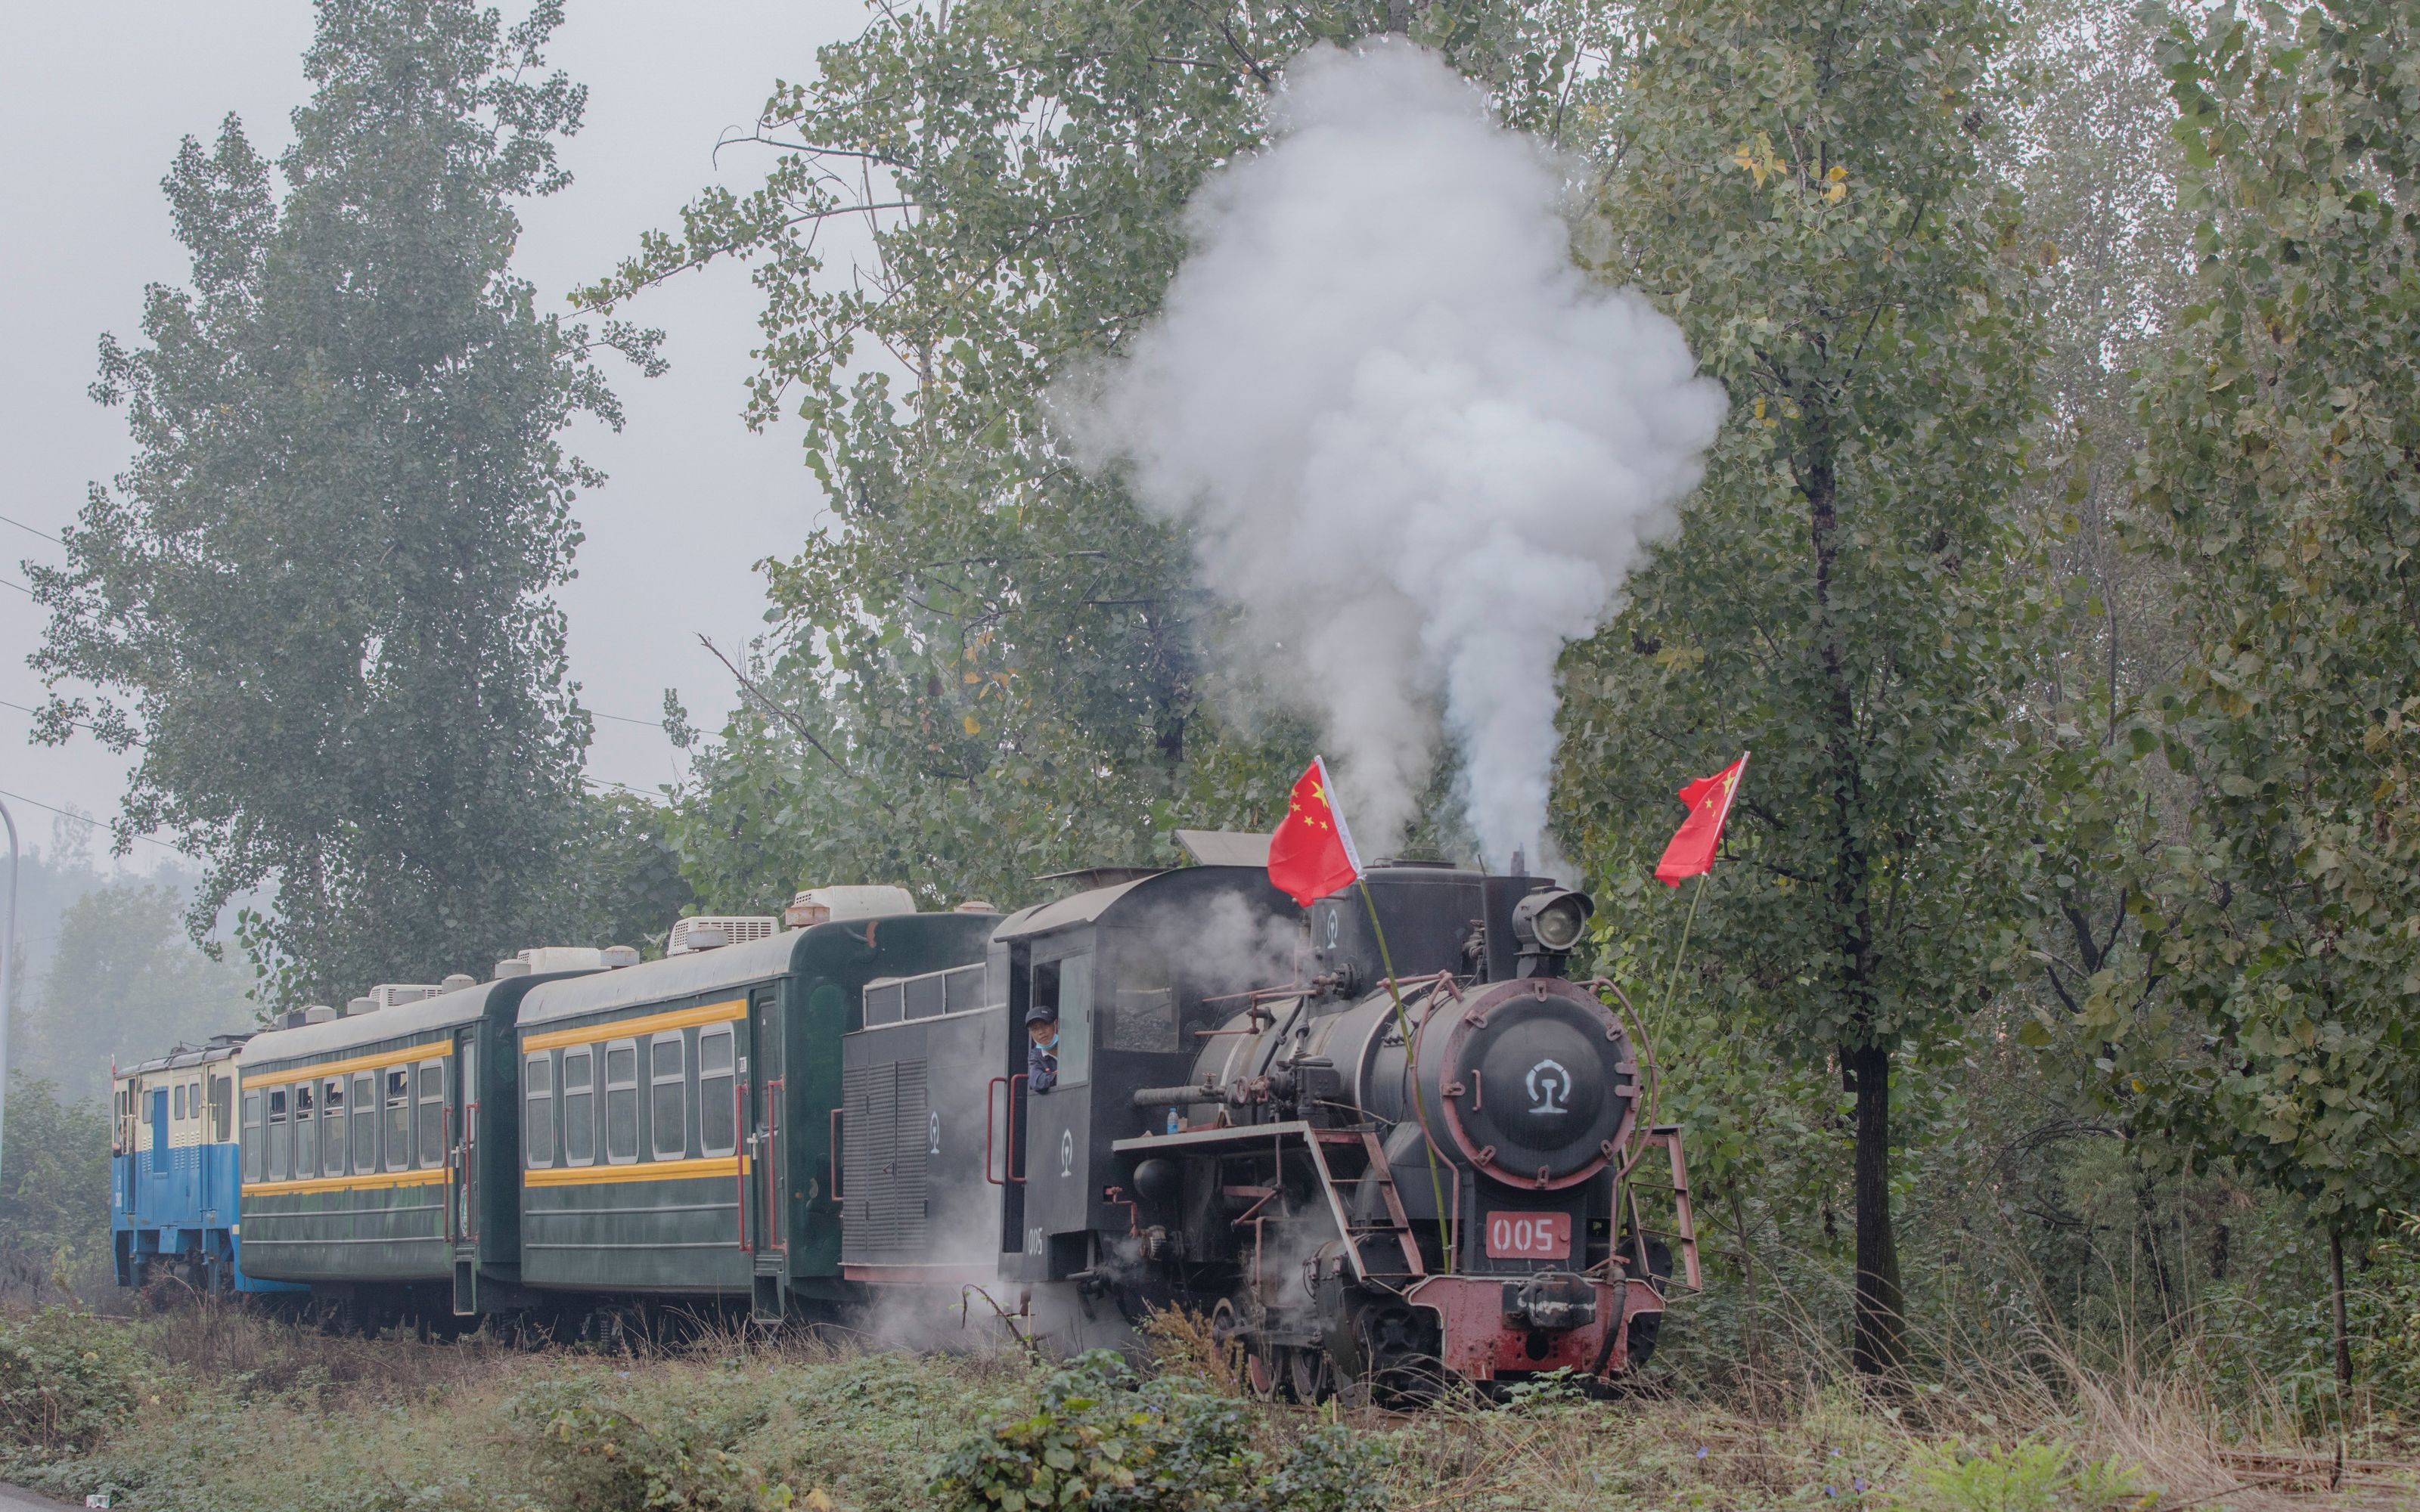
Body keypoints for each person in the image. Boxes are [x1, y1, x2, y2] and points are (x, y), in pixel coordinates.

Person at [1026, 1003, 1060, 1093]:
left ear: (1056, 1024)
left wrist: (1051, 1076)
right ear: (1031, 1034)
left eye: (1045, 1025)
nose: (1041, 1032)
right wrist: (1060, 1077)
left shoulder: (1074, 1046)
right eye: (1035, 1029)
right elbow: (1036, 1081)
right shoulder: (1035, 1055)